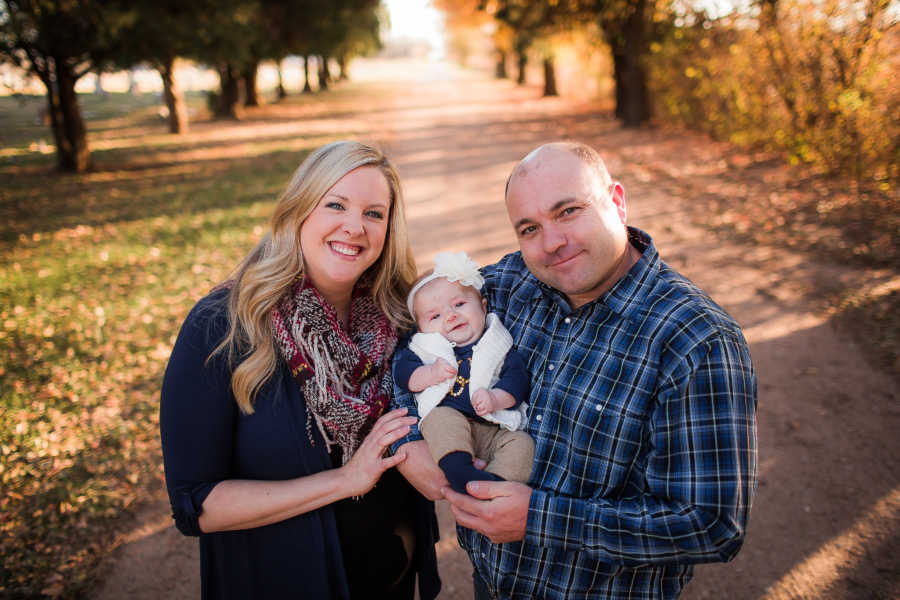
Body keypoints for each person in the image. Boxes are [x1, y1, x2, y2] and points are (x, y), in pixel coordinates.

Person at [392, 141, 758, 599]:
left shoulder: (696, 340)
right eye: (529, 228)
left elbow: (711, 524)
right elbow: (415, 344)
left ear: (617, 202)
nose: (551, 243)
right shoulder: (509, 284)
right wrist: (409, 442)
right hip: (490, 581)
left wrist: (539, 519)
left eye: (568, 211)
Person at [160, 141, 441, 600]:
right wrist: (344, 480)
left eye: (374, 213)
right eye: (336, 205)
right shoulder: (223, 326)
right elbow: (197, 505)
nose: (355, 227)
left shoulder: (400, 317)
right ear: (299, 209)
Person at [393, 251, 534, 495]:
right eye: (435, 316)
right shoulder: (426, 349)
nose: (451, 316)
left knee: (523, 444)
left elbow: (517, 379)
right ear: (422, 329)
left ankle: (494, 485)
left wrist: (495, 398)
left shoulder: (497, 344)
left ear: (483, 307)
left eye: (459, 304)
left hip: (495, 429)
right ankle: (460, 472)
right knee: (439, 420)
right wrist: (429, 373)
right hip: (452, 424)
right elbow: (403, 374)